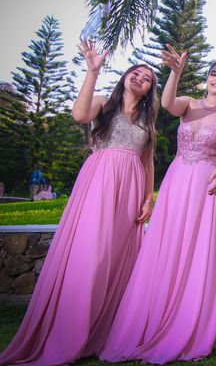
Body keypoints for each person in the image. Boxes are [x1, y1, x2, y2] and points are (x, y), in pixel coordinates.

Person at [0, 40, 158, 366]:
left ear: (149, 89)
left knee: (114, 256)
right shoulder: (103, 103)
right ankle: (68, 331)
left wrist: (148, 198)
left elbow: (147, 161)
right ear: (125, 77)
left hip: (129, 189)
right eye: (136, 73)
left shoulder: (147, 120)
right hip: (99, 182)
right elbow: (78, 113)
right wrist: (92, 71)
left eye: (147, 78)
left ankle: (101, 330)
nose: (140, 78)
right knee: (92, 253)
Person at [100, 47, 216, 364]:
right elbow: (166, 103)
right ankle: (153, 317)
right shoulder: (189, 104)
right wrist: (176, 72)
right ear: (207, 79)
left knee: (196, 249)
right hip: (177, 181)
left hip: (206, 184)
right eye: (215, 74)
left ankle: (188, 322)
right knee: (167, 246)